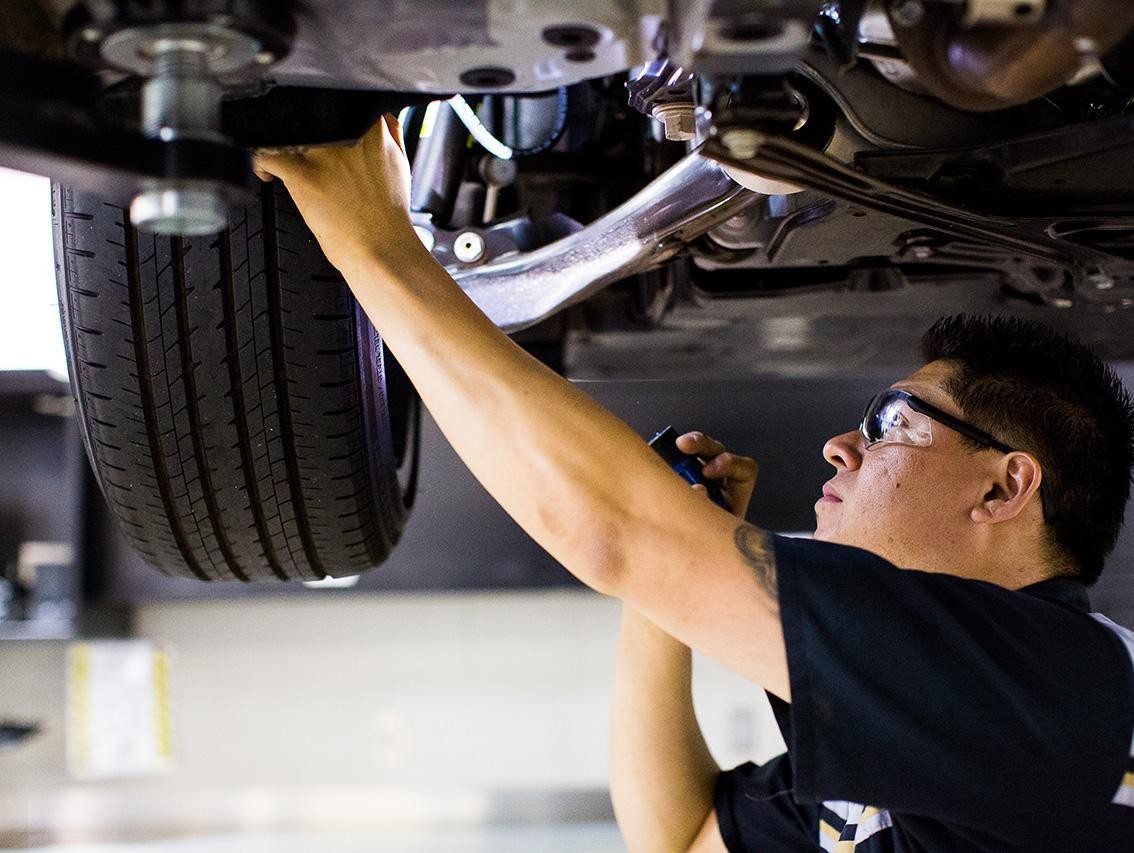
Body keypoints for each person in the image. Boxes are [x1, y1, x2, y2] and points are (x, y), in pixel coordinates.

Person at [254, 117, 1134, 852]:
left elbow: (670, 836)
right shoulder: (971, 713)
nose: (839, 446)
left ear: (1005, 487)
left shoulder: (1060, 693)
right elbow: (686, 831)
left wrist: (374, 246)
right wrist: (663, 578)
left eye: (890, 423)